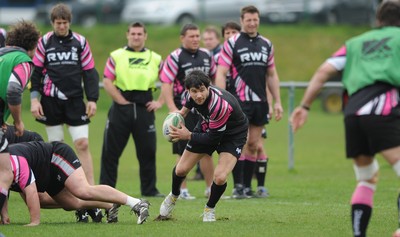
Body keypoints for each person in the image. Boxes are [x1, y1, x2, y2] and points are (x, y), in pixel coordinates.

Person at [290, 1, 400, 236]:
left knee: (367, 179)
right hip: (382, 107)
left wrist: (305, 106)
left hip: (353, 111)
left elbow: (323, 71)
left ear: (378, 20)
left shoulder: (355, 43)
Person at [29, 3, 100, 222]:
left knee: (83, 144)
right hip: (50, 102)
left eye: (65, 23)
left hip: (75, 101)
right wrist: (34, 100)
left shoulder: (80, 42)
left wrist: (93, 99)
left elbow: (89, 72)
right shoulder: (44, 42)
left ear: (69, 22)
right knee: (56, 150)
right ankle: (69, 197)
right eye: (58, 23)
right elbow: (37, 73)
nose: (62, 26)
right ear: (52, 23)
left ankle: (90, 192)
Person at [157, 70, 248, 222]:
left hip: (233, 135)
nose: (198, 95)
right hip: (209, 126)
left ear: (208, 87)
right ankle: (173, 196)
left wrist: (188, 135)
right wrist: (176, 119)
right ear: (188, 91)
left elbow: (212, 138)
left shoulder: (219, 105)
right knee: (181, 169)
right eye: (194, 91)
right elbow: (184, 110)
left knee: (219, 177)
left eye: (202, 90)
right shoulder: (189, 95)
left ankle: (209, 209)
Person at [215, 5, 283, 198]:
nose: (252, 23)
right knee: (240, 142)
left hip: (260, 102)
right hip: (239, 101)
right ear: (242, 20)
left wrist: (277, 101)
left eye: (255, 20)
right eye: (248, 20)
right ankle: (238, 187)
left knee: (253, 144)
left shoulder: (266, 44)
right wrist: (221, 96)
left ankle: (247, 187)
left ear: (258, 20)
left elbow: (272, 74)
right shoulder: (233, 43)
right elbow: (221, 71)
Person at [1, 141, 150, 226]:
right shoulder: (4, 169)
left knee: (83, 190)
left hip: (55, 156)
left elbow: (31, 192)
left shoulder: (16, 164)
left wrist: (34, 222)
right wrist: (4, 215)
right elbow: (3, 189)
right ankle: (110, 205)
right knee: (69, 204)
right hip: (43, 171)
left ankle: (137, 203)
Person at [99, 22, 164, 202]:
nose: (136, 37)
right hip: (121, 109)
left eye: (139, 34)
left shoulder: (155, 58)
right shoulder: (116, 56)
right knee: (110, 152)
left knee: (148, 152)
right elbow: (107, 81)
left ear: (145, 36)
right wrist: (121, 101)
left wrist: (160, 102)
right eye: (133, 33)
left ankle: (149, 189)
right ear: (127, 35)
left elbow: (168, 81)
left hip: (145, 109)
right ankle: (106, 189)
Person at [160, 23, 216, 199]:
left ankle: (210, 188)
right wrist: (173, 110)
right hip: (184, 109)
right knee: (183, 151)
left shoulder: (207, 55)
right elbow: (166, 83)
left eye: (197, 36)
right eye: (191, 36)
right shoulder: (175, 57)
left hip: (205, 111)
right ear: (182, 38)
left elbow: (213, 80)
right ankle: (182, 190)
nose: (195, 39)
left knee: (206, 150)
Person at [0, 20, 40, 221]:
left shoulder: (1, 55)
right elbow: (14, 90)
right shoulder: (23, 60)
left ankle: (4, 215)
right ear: (33, 45)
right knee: (5, 172)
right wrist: (18, 122)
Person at [190, 25, 223, 182]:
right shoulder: (205, 55)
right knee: (199, 140)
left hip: (217, 106)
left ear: (218, 39)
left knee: (213, 139)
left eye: (211, 39)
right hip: (199, 106)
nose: (207, 42)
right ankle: (200, 172)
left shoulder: (218, 56)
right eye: (206, 39)